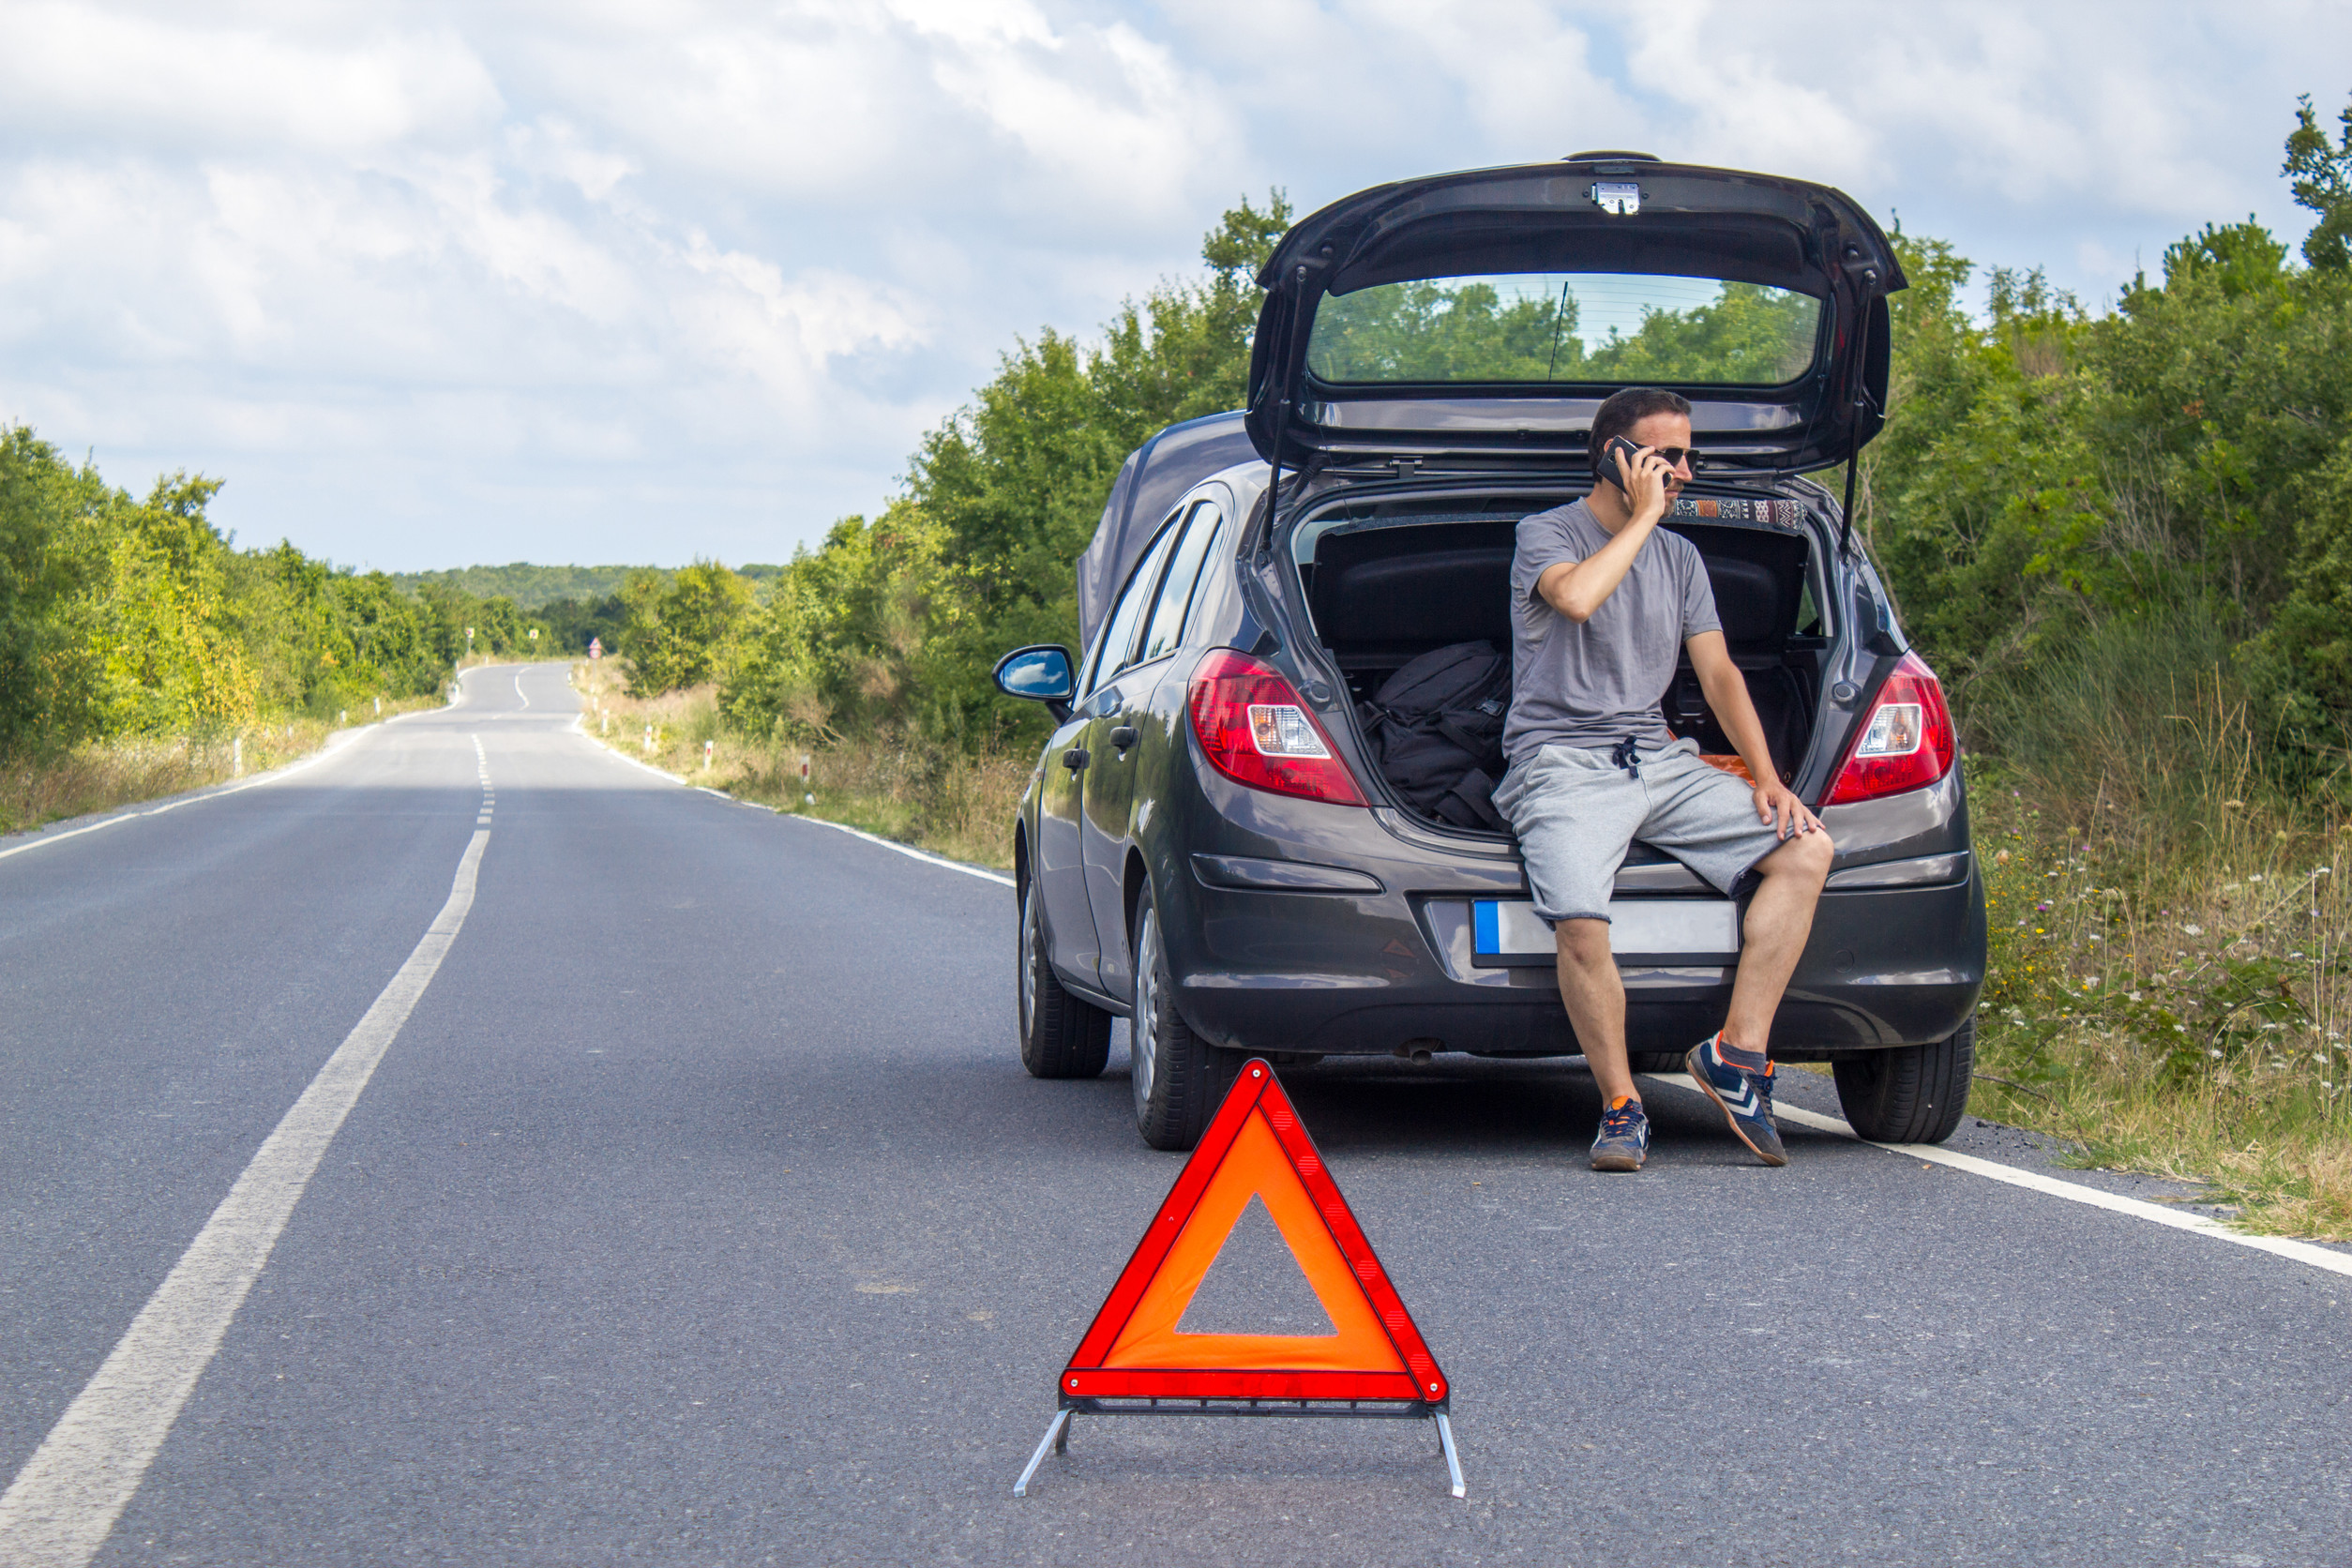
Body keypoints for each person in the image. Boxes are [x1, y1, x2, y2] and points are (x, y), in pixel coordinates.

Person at [1493, 387, 1834, 1171]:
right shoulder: (1545, 533)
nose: (1683, 472)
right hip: (1561, 762)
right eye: (1665, 457)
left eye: (1688, 456)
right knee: (1581, 922)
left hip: (1657, 758)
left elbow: (1718, 673)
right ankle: (1622, 1106)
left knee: (1807, 849)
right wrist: (1643, 517)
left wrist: (1767, 777)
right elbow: (1577, 598)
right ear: (1614, 456)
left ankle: (1737, 1054)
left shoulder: (1681, 558)